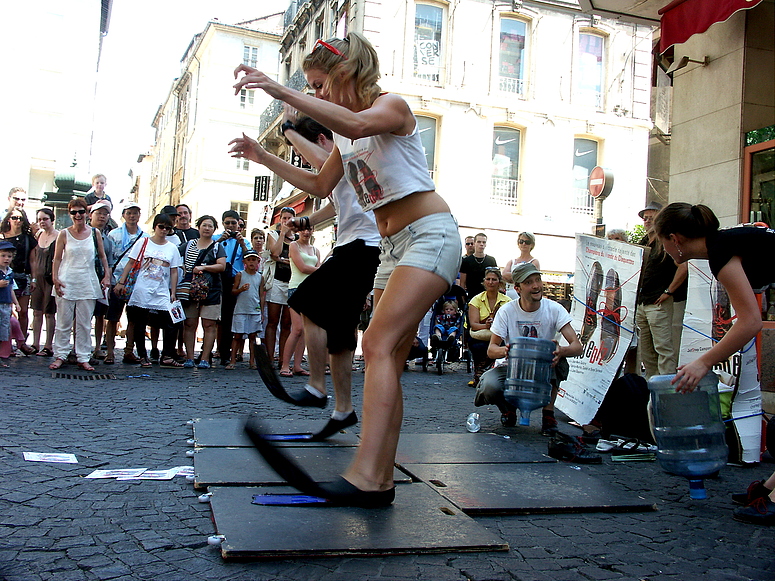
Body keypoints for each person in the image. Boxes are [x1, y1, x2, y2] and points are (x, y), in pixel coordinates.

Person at [230, 31, 461, 506]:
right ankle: (378, 478)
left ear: (346, 74)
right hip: (394, 245)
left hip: (430, 235)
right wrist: (263, 155)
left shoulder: (391, 107)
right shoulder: (344, 130)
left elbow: (357, 126)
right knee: (388, 359)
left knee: (375, 344)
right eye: (311, 88)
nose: (316, 96)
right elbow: (320, 183)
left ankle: (366, 475)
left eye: (319, 85)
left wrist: (278, 89)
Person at [654, 202, 775, 525]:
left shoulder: (721, 252)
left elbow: (749, 322)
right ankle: (768, 488)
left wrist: (702, 363)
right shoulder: (724, 245)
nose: (664, 251)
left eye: (662, 241)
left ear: (675, 239)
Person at [262, 112, 382, 438]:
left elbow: (321, 179)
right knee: (341, 334)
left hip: (363, 246)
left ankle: (317, 386)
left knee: (308, 300)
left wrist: (282, 136)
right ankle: (343, 410)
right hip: (358, 245)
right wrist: (310, 220)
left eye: (303, 152)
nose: (306, 160)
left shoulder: (345, 149)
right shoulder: (342, 164)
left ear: (322, 140)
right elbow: (342, 204)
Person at [475, 263, 582, 431]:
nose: (536, 286)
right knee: (490, 385)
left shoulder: (554, 309)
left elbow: (577, 346)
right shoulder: (507, 311)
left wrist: (561, 351)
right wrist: (507, 350)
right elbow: (491, 349)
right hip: (513, 365)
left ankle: (548, 415)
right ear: (517, 288)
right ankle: (508, 409)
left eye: (538, 280)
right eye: (529, 282)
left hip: (542, 365)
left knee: (554, 357)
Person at [49, 198, 111, 371]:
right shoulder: (64, 234)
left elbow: (102, 255)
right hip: (66, 280)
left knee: (84, 323)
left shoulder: (94, 233)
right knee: (63, 322)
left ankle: (83, 357)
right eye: (74, 212)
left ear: (87, 213)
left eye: (81, 212)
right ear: (70, 214)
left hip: (87, 281)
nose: (78, 215)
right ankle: (60, 355)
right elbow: (57, 258)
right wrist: (55, 278)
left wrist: (106, 275)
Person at [114, 214, 182, 368]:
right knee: (139, 323)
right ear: (155, 226)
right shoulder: (143, 242)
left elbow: (174, 271)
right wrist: (122, 281)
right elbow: (131, 262)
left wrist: (173, 291)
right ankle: (143, 355)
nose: (164, 230)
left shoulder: (172, 248)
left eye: (168, 228)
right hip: (142, 288)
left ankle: (167, 355)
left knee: (172, 321)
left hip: (161, 290)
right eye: (161, 226)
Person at [636, 201, 688, 378]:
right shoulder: (644, 242)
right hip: (642, 303)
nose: (648, 221)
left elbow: (683, 266)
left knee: (663, 349)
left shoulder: (665, 241)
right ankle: (653, 388)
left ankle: (665, 389)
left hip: (658, 303)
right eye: (645, 218)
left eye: (652, 217)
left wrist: (669, 291)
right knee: (646, 352)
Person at [178, 215, 226, 369]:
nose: (207, 228)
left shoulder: (218, 246)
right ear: (198, 227)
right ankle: (189, 357)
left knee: (209, 324)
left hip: (211, 290)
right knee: (190, 324)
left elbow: (221, 266)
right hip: (190, 289)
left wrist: (204, 267)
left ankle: (205, 358)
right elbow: (176, 258)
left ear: (214, 229)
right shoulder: (188, 244)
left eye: (210, 226)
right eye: (204, 225)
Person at [105, 202, 147, 365]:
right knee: (113, 318)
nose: (132, 216)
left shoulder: (144, 237)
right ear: (123, 215)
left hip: (136, 283)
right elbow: (108, 257)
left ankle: (129, 351)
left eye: (135, 213)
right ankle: (110, 351)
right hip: (117, 280)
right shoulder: (114, 235)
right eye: (129, 213)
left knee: (133, 319)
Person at [279, 223, 319, 377]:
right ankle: (284, 365)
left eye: (309, 229)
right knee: (297, 329)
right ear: (298, 231)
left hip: (312, 290)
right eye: (303, 229)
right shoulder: (294, 246)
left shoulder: (316, 250)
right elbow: (302, 267)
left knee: (305, 331)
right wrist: (323, 269)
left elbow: (318, 269)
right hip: (296, 288)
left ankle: (297, 365)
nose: (306, 232)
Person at [216, 210, 251, 365]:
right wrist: (218, 242)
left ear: (239, 224)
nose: (230, 226)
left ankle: (230, 353)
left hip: (235, 281)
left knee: (231, 317)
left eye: (233, 223)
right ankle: (220, 351)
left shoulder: (244, 241)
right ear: (223, 224)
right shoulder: (216, 239)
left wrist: (242, 243)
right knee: (218, 318)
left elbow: (250, 258)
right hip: (218, 280)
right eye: (227, 223)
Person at [1, 207, 38, 352]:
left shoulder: (28, 239)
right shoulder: (2, 237)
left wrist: (34, 279)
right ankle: (6, 344)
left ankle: (21, 342)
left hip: (23, 276)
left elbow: (33, 261)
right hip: (5, 276)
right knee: (6, 311)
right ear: (8, 219)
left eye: (20, 218)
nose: (17, 221)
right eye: (14, 218)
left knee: (22, 311)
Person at [467, 267, 511, 387]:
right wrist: (485, 325)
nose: (491, 282)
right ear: (484, 281)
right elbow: (474, 324)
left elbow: (509, 324)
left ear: (499, 282)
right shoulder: (476, 300)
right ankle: (481, 371)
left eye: (494, 279)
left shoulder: (507, 301)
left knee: (501, 345)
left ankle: (481, 371)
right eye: (488, 279)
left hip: (499, 335)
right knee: (477, 345)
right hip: (480, 334)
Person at [264, 207, 295, 367]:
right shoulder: (273, 234)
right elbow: (274, 252)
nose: (286, 221)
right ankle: (270, 357)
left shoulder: (297, 238)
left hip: (292, 282)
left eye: (289, 218)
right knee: (273, 320)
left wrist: (282, 259)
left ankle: (284, 359)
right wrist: (282, 234)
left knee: (287, 323)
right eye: (284, 218)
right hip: (276, 281)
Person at [226, 250, 264, 370]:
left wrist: (261, 311)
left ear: (258, 261)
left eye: (254, 259)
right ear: (244, 262)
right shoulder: (240, 275)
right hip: (241, 309)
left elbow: (261, 294)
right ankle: (232, 360)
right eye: (249, 260)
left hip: (254, 310)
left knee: (252, 336)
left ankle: (252, 361)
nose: (251, 262)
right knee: (237, 335)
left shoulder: (260, 277)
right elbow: (233, 291)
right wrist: (241, 289)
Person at [88, 200, 115, 360]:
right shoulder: (82, 234)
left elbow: (109, 263)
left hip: (100, 282)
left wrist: (108, 280)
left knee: (99, 315)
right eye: (99, 213)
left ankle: (97, 347)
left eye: (106, 214)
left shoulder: (108, 240)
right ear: (91, 215)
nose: (102, 216)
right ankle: (78, 347)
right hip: (83, 279)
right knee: (81, 315)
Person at [29, 208, 58, 356]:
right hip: (38, 279)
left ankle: (48, 346)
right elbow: (33, 259)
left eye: (45, 219)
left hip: (50, 279)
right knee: (36, 311)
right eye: (40, 219)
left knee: (49, 312)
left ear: (52, 220)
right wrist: (33, 278)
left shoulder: (59, 236)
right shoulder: (38, 235)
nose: (42, 222)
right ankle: (35, 343)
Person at [0, 240, 24, 366]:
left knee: (4, 330)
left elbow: (11, 289)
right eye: (3, 256)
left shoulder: (9, 272)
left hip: (6, 304)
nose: (6, 259)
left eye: (9, 256)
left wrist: (16, 303)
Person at [459, 232, 497, 300]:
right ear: (474, 243)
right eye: (479, 242)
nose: (481, 244)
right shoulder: (466, 261)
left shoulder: (491, 260)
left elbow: (496, 279)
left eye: (484, 242)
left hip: (488, 296)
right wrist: (463, 299)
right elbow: (462, 283)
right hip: (471, 296)